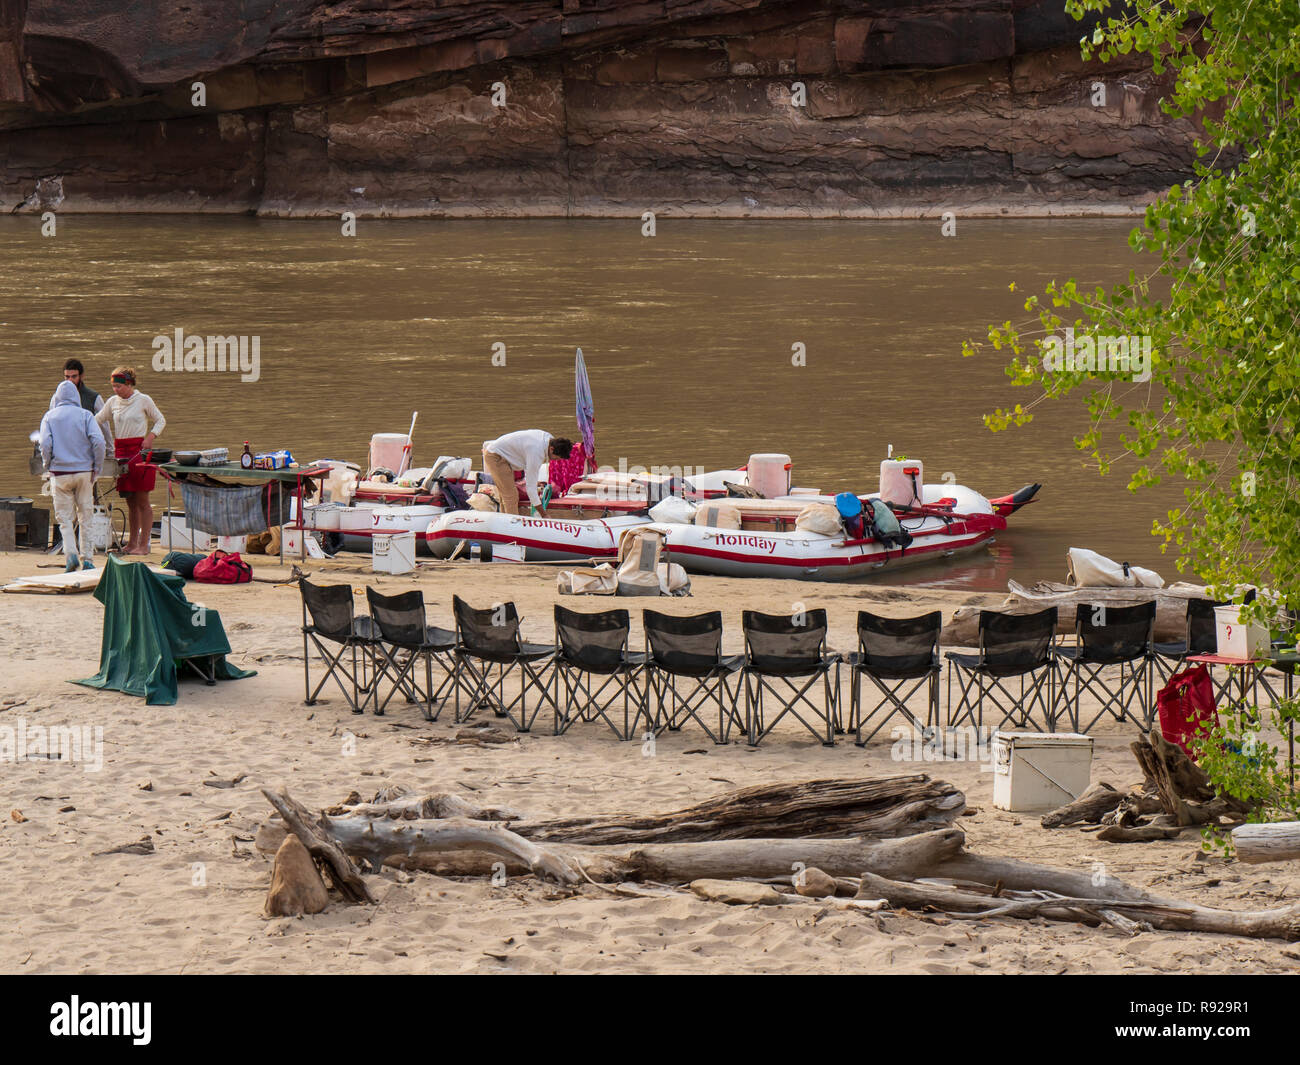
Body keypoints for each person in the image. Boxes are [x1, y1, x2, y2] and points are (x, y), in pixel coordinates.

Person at [95, 366, 166, 555]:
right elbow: (97, 420)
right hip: (122, 453)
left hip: (139, 451)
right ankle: (132, 543)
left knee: (143, 500)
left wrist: (150, 437)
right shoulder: (112, 402)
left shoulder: (143, 400)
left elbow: (160, 420)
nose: (115, 390)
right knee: (130, 501)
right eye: (113, 386)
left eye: (119, 386)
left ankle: (144, 544)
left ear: (128, 383)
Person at [40, 380, 106, 572]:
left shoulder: (49, 417)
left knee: (64, 518)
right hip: (84, 473)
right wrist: (97, 467)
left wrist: (48, 464)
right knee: (86, 516)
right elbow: (99, 442)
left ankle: (70, 555)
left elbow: (44, 443)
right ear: (76, 397)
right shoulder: (86, 415)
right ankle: (88, 559)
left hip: (59, 474)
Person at [481, 430, 573, 515]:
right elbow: (531, 489)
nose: (555, 460)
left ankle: (503, 520)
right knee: (511, 496)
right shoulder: (536, 453)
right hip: (495, 456)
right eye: (556, 458)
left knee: (505, 494)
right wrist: (544, 514)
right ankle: (512, 525)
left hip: (503, 454)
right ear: (552, 449)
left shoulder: (549, 439)